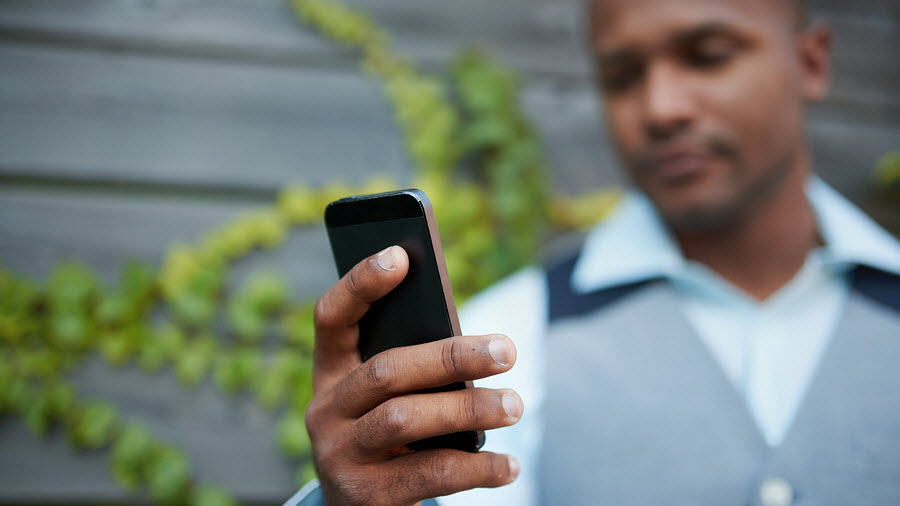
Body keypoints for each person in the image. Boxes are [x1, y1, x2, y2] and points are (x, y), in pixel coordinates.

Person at [285, 0, 900, 504]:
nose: (660, 109)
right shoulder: (503, 345)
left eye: (708, 57)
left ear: (811, 62)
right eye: (621, 77)